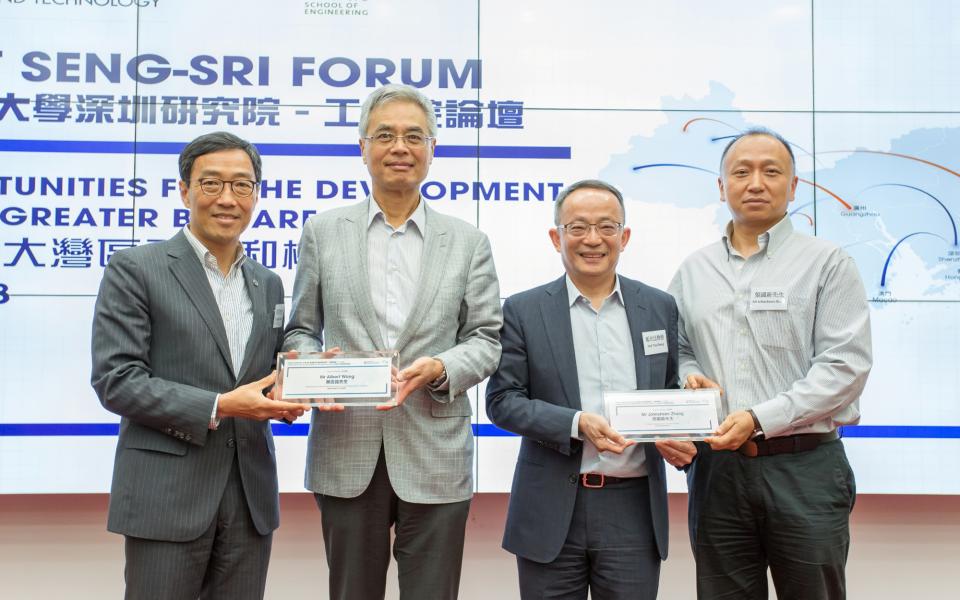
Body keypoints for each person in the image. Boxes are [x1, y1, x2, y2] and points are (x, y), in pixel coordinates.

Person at [284, 83, 502, 600]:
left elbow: (486, 339)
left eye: (413, 136)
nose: (399, 147)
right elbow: (299, 328)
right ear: (363, 148)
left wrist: (442, 368)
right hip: (346, 447)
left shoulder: (468, 242)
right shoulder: (323, 231)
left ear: (432, 150)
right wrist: (317, 372)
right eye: (384, 135)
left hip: (435, 450)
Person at [91, 131, 307, 599]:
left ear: (257, 195)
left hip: (249, 496)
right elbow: (117, 380)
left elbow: (262, 378)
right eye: (212, 184)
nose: (228, 199)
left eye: (242, 186)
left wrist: (291, 392)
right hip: (166, 495)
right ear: (185, 190)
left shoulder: (266, 282)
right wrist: (221, 405)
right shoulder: (137, 269)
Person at [668, 128, 872, 599]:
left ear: (794, 186)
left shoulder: (828, 264)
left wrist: (759, 419)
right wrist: (686, 375)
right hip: (717, 471)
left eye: (771, 171)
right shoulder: (693, 270)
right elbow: (678, 347)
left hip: (805, 468)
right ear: (722, 187)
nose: (755, 183)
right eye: (741, 172)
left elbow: (845, 367)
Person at [486, 179, 694, 600]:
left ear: (625, 236)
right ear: (556, 237)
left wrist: (683, 433)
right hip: (550, 505)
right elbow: (502, 401)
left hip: (633, 505)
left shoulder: (658, 307)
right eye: (577, 227)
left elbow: (670, 391)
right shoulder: (524, 310)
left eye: (606, 227)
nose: (592, 240)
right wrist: (575, 423)